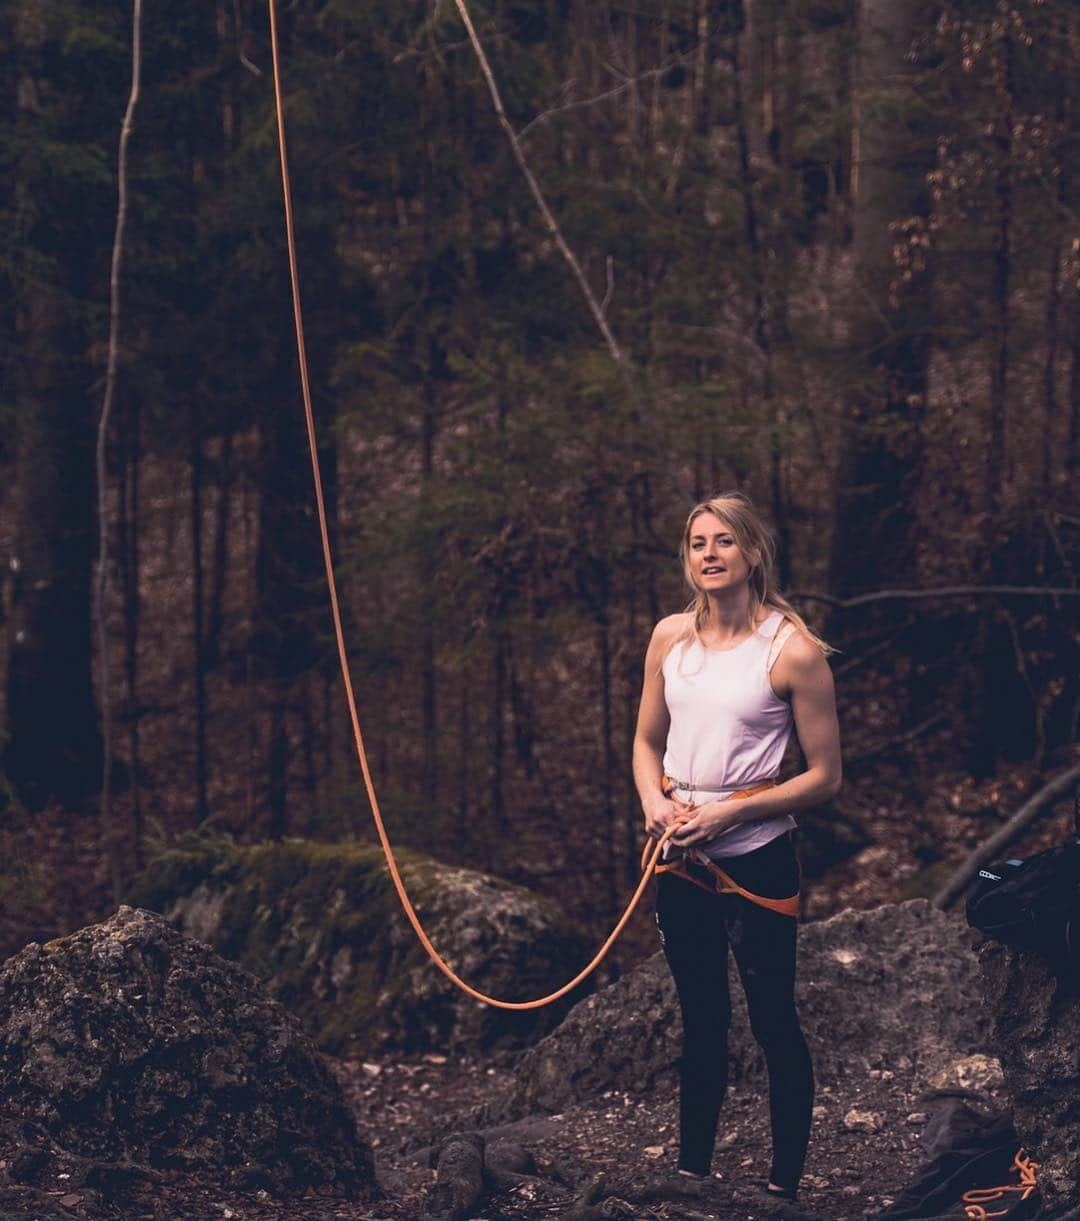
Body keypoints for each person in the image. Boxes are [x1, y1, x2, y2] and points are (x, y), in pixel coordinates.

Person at [633, 491, 841, 1204]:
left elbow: (824, 776)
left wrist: (727, 815)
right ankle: (692, 1175)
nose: (710, 554)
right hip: (680, 852)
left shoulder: (793, 651)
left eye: (724, 541)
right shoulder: (669, 638)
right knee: (701, 1017)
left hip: (756, 854)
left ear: (753, 552)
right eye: (698, 543)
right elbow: (644, 741)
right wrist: (655, 803)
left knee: (772, 1017)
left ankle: (783, 1188)